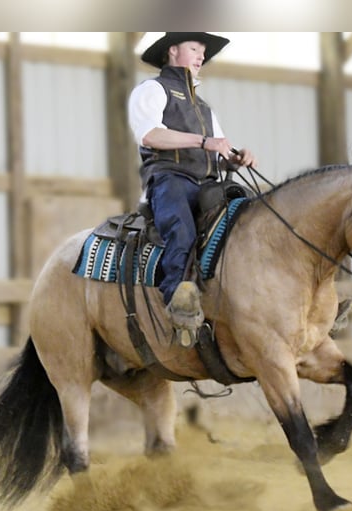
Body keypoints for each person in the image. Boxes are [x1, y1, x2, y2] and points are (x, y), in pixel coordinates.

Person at [128, 32, 257, 348]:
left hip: (209, 183)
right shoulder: (153, 90)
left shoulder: (205, 109)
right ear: (173, 51)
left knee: (251, 223)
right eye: (194, 48)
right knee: (182, 230)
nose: (201, 56)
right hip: (170, 179)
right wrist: (203, 141)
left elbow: (217, 151)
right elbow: (150, 135)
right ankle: (178, 302)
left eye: (202, 52)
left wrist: (235, 159)